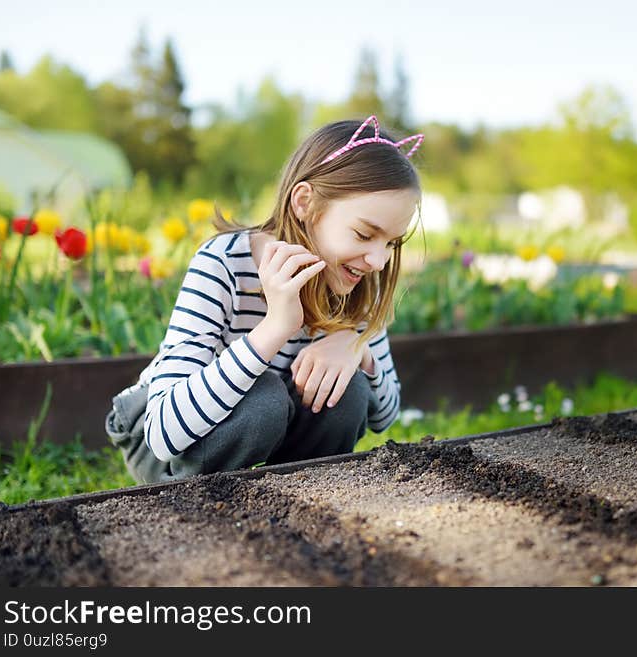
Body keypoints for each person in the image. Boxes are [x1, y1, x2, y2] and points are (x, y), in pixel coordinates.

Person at [105, 115, 424, 484]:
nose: (379, 259)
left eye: (391, 243)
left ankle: (305, 490)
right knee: (264, 399)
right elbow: (163, 434)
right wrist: (274, 328)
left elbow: (384, 416)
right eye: (364, 234)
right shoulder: (222, 262)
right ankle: (196, 498)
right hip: (165, 440)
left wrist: (358, 350)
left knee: (349, 388)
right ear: (305, 202)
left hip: (271, 426)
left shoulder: (361, 278)